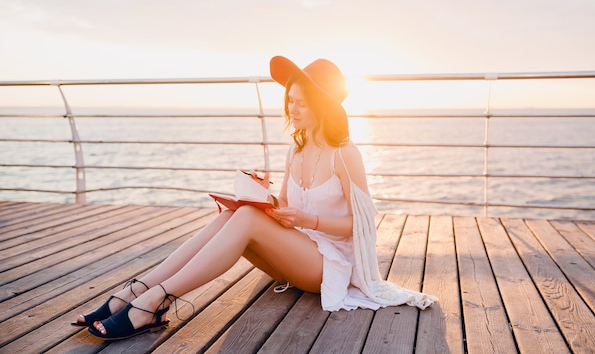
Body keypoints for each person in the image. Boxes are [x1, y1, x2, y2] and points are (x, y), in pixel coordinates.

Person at [74, 55, 437, 340]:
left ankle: (152, 301)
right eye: (290, 101)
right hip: (294, 256)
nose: (292, 110)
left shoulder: (345, 153)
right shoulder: (295, 151)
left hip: (330, 267)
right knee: (235, 215)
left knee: (245, 219)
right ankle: (138, 291)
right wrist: (261, 201)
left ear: (323, 107)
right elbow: (281, 207)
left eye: (301, 104)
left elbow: (362, 227)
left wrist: (305, 221)